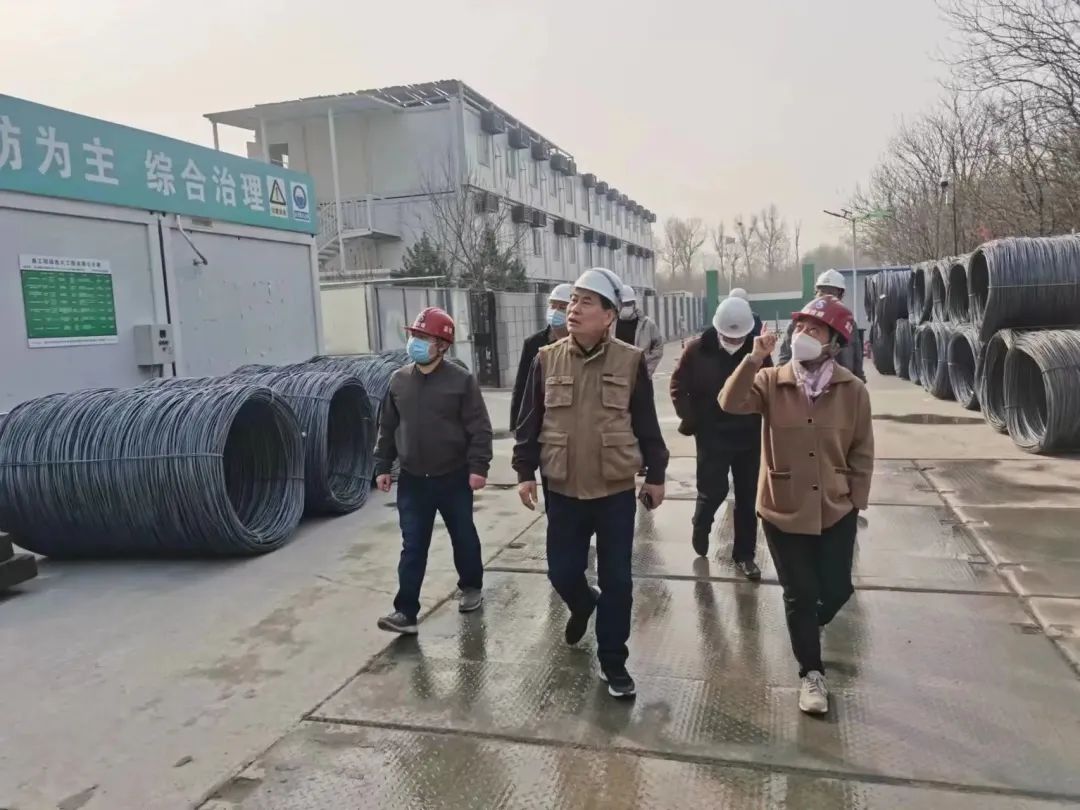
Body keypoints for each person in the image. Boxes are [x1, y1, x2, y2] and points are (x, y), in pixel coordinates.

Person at [514, 268, 669, 700]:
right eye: (572, 301)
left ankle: (613, 659)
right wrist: (524, 472)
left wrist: (656, 475)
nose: (573, 309)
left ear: (608, 315)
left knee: (618, 579)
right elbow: (529, 422)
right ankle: (584, 603)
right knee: (562, 572)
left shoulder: (630, 361)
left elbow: (646, 423)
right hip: (563, 488)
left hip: (613, 489)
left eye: (585, 302)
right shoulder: (546, 358)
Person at [720, 296, 873, 716]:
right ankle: (811, 673)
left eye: (814, 329)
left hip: (835, 507)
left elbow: (862, 450)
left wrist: (855, 500)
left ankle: (806, 625)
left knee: (837, 589)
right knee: (800, 593)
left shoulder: (853, 391)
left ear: (834, 342)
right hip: (782, 508)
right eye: (800, 327)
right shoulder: (771, 381)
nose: (802, 335)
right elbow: (729, 402)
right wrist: (754, 358)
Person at [374, 307, 494, 635]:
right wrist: (382, 465)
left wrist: (478, 466)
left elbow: (479, 427)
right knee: (413, 544)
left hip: (453, 476)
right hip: (413, 479)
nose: (415, 341)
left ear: (442, 345)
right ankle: (405, 612)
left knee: (463, 536)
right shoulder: (399, 380)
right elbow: (387, 426)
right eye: (414, 335)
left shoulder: (461, 381)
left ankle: (471, 587)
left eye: (423, 337)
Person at [670, 295, 769, 580]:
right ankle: (701, 522)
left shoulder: (758, 353)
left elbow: (770, 387)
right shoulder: (696, 351)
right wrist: (692, 419)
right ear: (717, 328)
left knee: (748, 498)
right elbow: (678, 386)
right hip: (711, 434)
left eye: (739, 337)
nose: (733, 342)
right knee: (713, 490)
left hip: (749, 434)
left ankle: (745, 555)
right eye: (728, 336)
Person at [779, 270, 865, 381]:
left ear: (840, 295)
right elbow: (784, 359)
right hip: (803, 386)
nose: (826, 298)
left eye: (831, 293)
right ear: (816, 294)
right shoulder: (797, 324)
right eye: (822, 292)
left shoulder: (849, 325)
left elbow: (857, 359)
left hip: (842, 385)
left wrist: (859, 382)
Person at [510, 284, 572, 432]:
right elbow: (521, 385)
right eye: (552, 306)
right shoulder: (533, 343)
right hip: (539, 418)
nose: (555, 311)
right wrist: (515, 424)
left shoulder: (579, 342)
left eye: (562, 307)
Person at [615, 285, 664, 377]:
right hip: (618, 378)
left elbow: (658, 346)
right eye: (624, 304)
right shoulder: (611, 325)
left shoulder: (647, 324)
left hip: (641, 379)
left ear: (634, 303)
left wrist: (647, 369)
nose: (627, 306)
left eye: (629, 303)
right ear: (618, 304)